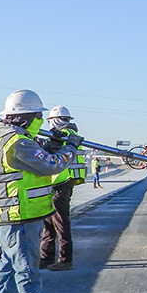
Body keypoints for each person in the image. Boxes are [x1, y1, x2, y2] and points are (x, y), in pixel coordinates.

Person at [0, 90, 79, 293]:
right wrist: (70, 147)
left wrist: (54, 145)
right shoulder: (18, 142)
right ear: (27, 117)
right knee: (27, 272)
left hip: (15, 215)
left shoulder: (13, 139)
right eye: (38, 117)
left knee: (8, 270)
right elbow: (52, 165)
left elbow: (40, 161)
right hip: (17, 216)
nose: (41, 122)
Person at [39, 106, 86, 271]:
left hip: (61, 182)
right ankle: (46, 258)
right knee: (49, 222)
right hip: (60, 183)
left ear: (57, 120)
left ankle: (65, 259)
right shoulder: (70, 134)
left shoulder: (65, 134)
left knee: (60, 222)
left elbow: (50, 148)